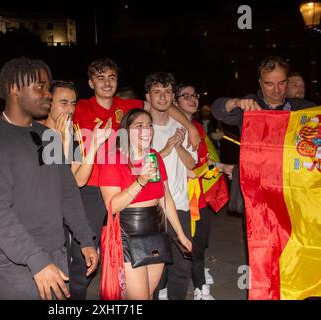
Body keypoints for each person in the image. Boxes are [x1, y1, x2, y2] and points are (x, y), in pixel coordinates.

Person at [71, 58, 200, 299]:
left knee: (145, 295)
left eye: (112, 77)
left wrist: (190, 127)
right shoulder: (81, 108)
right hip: (97, 189)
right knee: (85, 260)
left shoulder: (129, 109)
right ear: (90, 83)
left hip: (151, 225)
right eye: (100, 78)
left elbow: (161, 104)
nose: (107, 82)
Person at [0, 57, 98, 300]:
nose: (48, 94)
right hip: (13, 263)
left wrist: (85, 238)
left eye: (48, 87)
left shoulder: (48, 136)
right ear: (15, 89)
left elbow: (67, 192)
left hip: (55, 252)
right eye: (40, 87)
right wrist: (36, 260)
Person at [99, 108, 192, 300]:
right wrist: (141, 180)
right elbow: (112, 206)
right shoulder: (113, 159)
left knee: (149, 294)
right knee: (138, 297)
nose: (146, 130)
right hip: (127, 233)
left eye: (149, 125)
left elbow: (165, 198)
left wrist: (181, 235)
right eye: (139, 126)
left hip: (156, 231)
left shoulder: (154, 157)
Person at [175, 83, 234, 300]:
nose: (192, 99)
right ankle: (198, 286)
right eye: (185, 96)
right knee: (183, 245)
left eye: (194, 95)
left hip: (199, 193)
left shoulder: (198, 127)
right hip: (180, 195)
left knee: (199, 240)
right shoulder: (172, 126)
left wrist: (221, 167)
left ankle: (197, 276)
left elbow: (204, 161)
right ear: (175, 101)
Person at [144, 72, 197, 300]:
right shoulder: (141, 126)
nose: (163, 97)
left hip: (180, 206)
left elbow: (192, 164)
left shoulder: (180, 125)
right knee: (152, 270)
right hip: (151, 208)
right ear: (148, 96)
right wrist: (164, 149)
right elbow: (136, 166)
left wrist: (178, 146)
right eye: (157, 92)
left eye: (167, 92)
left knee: (182, 268)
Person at [211, 56, 316, 131]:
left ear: (287, 82)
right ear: (260, 83)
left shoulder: (300, 106)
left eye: (281, 83)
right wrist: (236, 102)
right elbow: (217, 110)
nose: (276, 90)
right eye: (269, 84)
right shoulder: (252, 104)